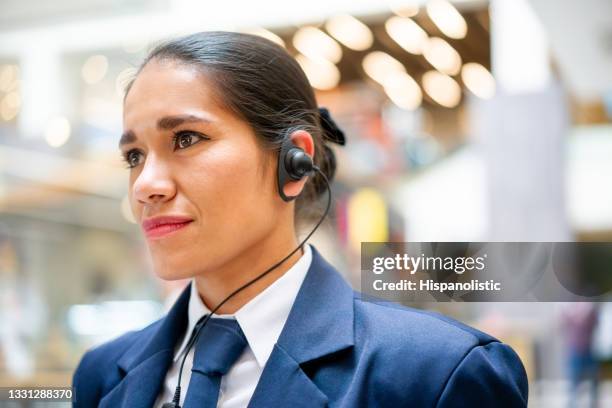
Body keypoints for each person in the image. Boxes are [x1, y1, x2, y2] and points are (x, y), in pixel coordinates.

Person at [72, 31, 528, 407]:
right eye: (134, 155)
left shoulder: (435, 373)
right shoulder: (102, 375)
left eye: (187, 138)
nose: (145, 185)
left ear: (293, 162)